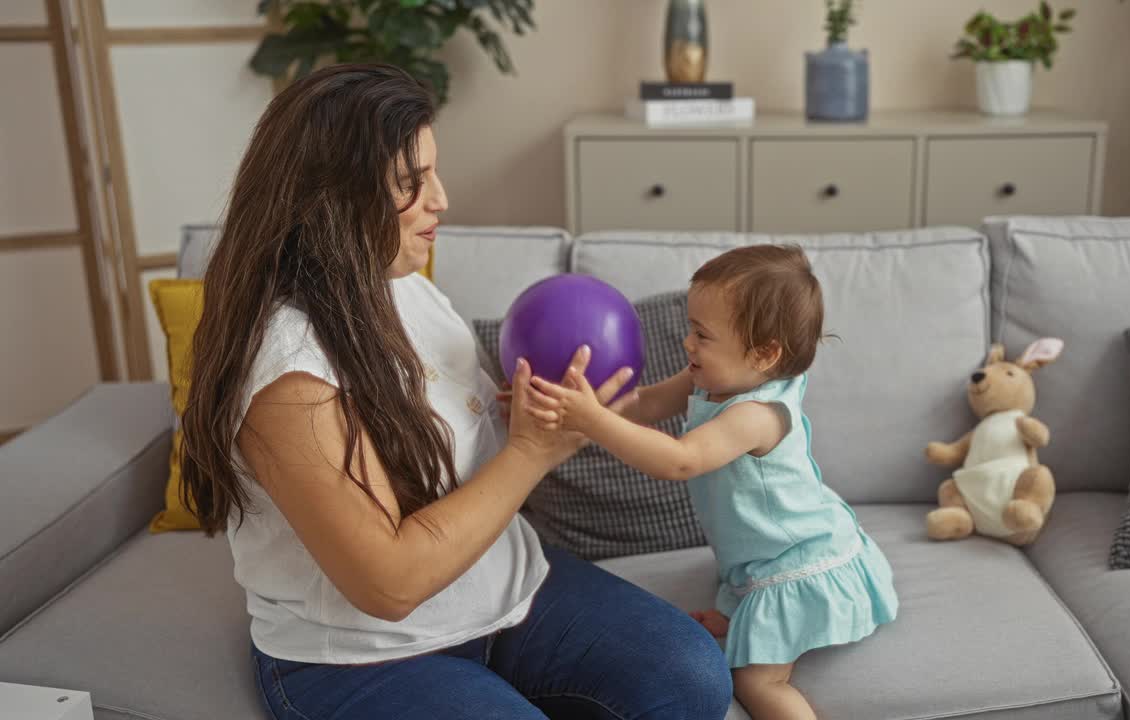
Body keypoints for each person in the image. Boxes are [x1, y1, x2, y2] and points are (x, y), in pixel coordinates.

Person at [178, 63, 731, 720]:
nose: (441, 199)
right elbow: (389, 583)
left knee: (689, 675)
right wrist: (531, 453)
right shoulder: (288, 375)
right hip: (364, 653)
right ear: (333, 200)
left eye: (433, 172)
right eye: (412, 184)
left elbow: (455, 441)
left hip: (501, 588)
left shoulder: (399, 283)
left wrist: (548, 420)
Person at [527, 244, 899, 720]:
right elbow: (643, 404)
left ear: (764, 354)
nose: (687, 344)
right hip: (758, 553)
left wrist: (595, 422)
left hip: (799, 560)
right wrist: (578, 409)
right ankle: (743, 612)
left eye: (702, 335)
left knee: (755, 679)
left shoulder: (757, 416)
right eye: (690, 328)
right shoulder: (711, 379)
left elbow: (681, 461)